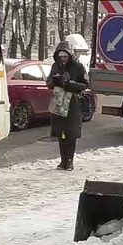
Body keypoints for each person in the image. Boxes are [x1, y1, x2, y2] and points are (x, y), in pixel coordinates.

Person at [47, 41, 89, 171]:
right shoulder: (55, 66)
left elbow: (85, 84)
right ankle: (63, 160)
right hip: (59, 101)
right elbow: (48, 82)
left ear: (70, 56)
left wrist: (69, 84)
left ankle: (69, 161)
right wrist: (54, 82)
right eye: (61, 57)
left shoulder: (78, 67)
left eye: (65, 57)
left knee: (71, 133)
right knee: (60, 132)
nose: (63, 60)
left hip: (72, 102)